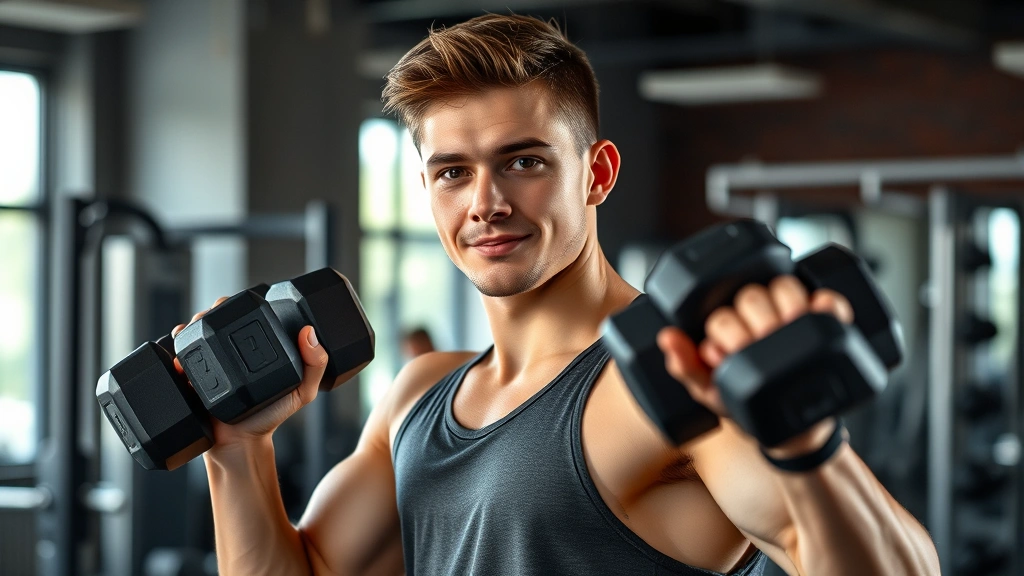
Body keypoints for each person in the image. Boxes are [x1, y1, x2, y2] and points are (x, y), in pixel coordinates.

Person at [180, 14, 939, 576]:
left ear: (597, 174)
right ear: (427, 191)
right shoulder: (419, 393)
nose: (485, 203)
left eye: (523, 162)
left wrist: (807, 447)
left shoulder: (668, 378)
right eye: (452, 172)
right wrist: (238, 451)